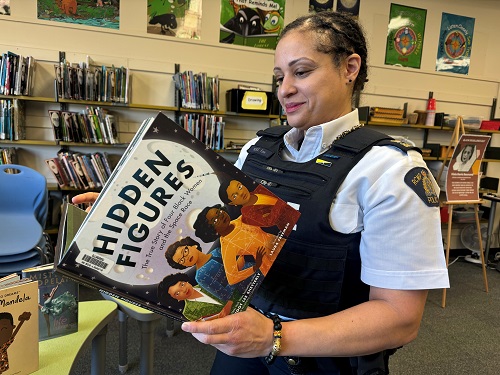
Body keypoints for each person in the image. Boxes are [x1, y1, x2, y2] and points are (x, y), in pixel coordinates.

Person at [72, 11, 449, 374]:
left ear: (350, 68)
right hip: (245, 338)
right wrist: (122, 217)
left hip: (321, 357)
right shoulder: (259, 148)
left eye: (301, 72)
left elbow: (400, 319)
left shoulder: (390, 170)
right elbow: (214, 232)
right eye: (278, 76)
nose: (284, 89)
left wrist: (276, 337)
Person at [157, 273, 233, 321]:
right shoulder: (188, 312)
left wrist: (229, 304)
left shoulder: (204, 282)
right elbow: (206, 326)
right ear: (176, 299)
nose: (184, 290)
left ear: (186, 281)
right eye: (177, 293)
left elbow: (231, 288)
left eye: (182, 284)